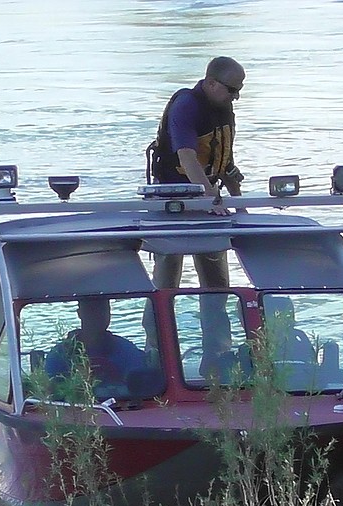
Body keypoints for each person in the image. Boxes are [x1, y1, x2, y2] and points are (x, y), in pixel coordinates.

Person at [144, 56, 245, 373]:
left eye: (239, 91)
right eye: (232, 90)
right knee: (165, 282)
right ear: (211, 83)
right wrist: (211, 199)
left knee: (217, 284)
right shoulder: (186, 106)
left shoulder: (223, 105)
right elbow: (187, 158)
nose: (236, 97)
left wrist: (237, 197)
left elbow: (222, 157)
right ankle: (156, 357)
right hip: (171, 201)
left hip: (207, 198)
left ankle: (216, 359)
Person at [45, 298, 146, 394]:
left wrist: (114, 374)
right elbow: (49, 393)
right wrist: (79, 379)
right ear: (80, 314)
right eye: (92, 310)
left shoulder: (127, 350)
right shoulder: (59, 354)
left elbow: (143, 388)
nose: (99, 315)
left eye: (104, 309)